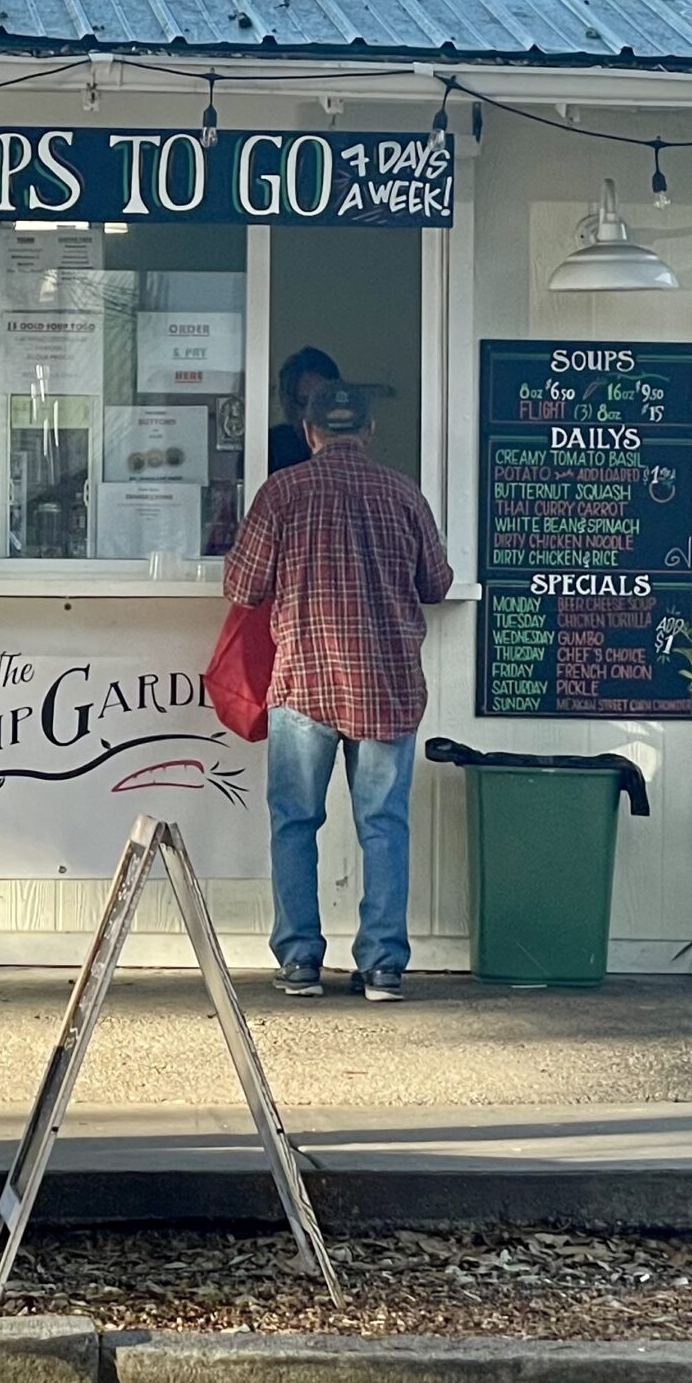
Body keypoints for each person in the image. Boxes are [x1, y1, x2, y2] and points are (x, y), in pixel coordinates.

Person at [223, 380, 453, 1001]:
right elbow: (436, 584)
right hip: (387, 684)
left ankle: (300, 961)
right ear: (369, 432)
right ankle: (383, 966)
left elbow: (242, 587)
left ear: (309, 432)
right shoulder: (404, 494)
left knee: (295, 822)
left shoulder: (282, 492)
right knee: (383, 824)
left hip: (306, 680)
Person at [265, 346, 340, 476]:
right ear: (287, 403)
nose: (313, 413)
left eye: (321, 402)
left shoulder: (346, 446)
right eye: (304, 402)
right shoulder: (269, 449)